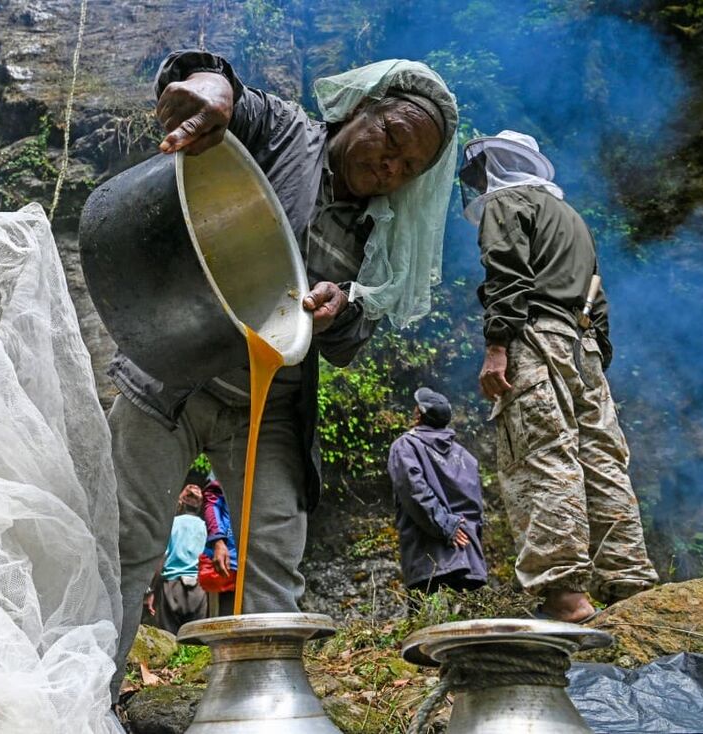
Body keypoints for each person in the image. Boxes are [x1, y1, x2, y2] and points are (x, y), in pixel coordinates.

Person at [106, 50, 458, 687]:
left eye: (409, 167)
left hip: (268, 409)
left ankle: (261, 711)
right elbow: (221, 91)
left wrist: (344, 304)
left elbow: (350, 343)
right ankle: (85, 704)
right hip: (172, 378)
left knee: (273, 560)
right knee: (127, 548)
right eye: (393, 140)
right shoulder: (286, 133)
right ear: (361, 109)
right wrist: (208, 87)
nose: (390, 166)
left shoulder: (382, 234)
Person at [461, 129, 658, 623]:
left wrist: (497, 346)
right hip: (584, 344)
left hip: (535, 337)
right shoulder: (571, 217)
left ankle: (566, 597)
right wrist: (595, 356)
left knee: (542, 456)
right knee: (602, 458)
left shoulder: (506, 203)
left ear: (498, 165)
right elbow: (599, 293)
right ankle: (629, 584)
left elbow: (507, 274)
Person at [388, 387, 487, 596]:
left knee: (427, 625)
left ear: (418, 415)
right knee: (466, 625)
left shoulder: (405, 446)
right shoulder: (466, 457)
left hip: (430, 562)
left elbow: (415, 492)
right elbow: (476, 510)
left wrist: (446, 526)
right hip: (469, 561)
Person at [145, 483, 208, 635]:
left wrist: (151, 590)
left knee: (170, 638)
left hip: (171, 588)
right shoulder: (206, 527)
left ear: (180, 502)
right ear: (200, 505)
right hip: (199, 589)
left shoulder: (172, 525)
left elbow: (162, 557)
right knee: (196, 641)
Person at [199, 475, 237, 616]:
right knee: (222, 621)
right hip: (229, 564)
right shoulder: (229, 462)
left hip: (255, 564)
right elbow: (212, 500)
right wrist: (218, 541)